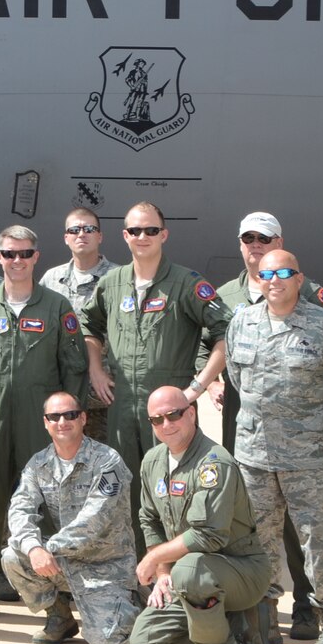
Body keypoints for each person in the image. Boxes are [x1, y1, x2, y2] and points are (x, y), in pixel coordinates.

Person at [212, 210, 323, 644]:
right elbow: (236, 378)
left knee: (317, 541)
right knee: (259, 543)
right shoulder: (241, 321)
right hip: (255, 456)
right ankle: (264, 625)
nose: (275, 280)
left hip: (310, 458)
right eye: (268, 274)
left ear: (299, 278)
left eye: (284, 272)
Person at [81, 201, 229, 533]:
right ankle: (136, 570)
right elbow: (88, 326)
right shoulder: (112, 283)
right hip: (123, 404)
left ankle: (177, 571)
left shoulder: (186, 283)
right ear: (125, 236)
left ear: (164, 234)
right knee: (127, 488)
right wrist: (96, 370)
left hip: (171, 408)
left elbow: (224, 332)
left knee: (176, 488)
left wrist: (197, 388)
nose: (142, 236)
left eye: (150, 230)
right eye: (135, 231)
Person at [0, 224, 87, 612]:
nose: (17, 261)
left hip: (42, 428)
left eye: (24, 254)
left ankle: (56, 604)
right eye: (9, 254)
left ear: (36, 257)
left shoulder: (57, 307)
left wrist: (70, 428)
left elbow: (74, 370)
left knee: (48, 511)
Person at [128, 386, 270, 644]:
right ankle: (236, 633)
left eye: (174, 415)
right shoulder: (153, 462)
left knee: (191, 569)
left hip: (240, 570)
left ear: (191, 413)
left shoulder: (213, 463)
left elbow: (209, 536)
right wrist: (164, 570)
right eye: (157, 420)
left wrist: (154, 557)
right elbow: (149, 517)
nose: (166, 425)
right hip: (187, 576)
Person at [0, 391, 139, 644]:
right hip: (65, 562)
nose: (62, 421)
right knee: (13, 556)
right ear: (46, 423)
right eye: (54, 416)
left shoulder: (107, 461)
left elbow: (93, 521)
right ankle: (59, 617)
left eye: (70, 415)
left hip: (105, 567)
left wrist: (46, 550)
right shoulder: (38, 464)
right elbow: (19, 510)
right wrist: (33, 548)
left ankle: (131, 603)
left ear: (83, 418)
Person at [39, 206, 116, 441]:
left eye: (89, 229)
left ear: (100, 236)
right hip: (62, 392)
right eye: (74, 230)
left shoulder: (118, 278)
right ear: (66, 238)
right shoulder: (51, 279)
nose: (81, 234)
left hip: (104, 394)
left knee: (106, 462)